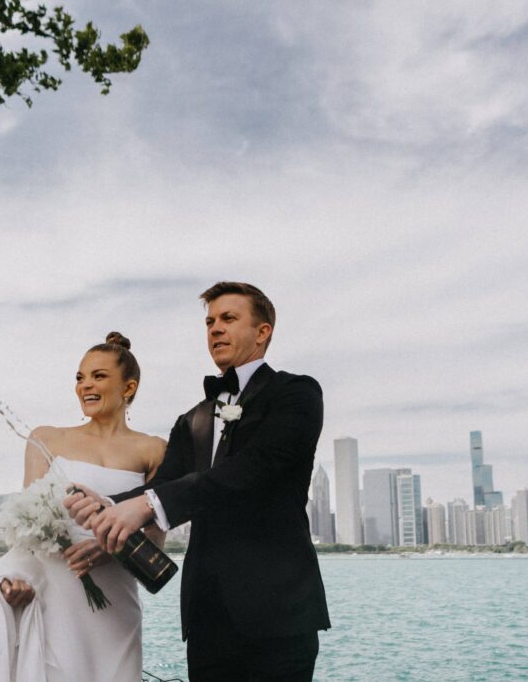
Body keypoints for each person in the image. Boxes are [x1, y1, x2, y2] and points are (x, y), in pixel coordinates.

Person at [66, 282, 330, 682]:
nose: (215, 329)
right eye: (209, 322)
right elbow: (162, 485)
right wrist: (104, 502)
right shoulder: (191, 420)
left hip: (280, 610)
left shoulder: (296, 394)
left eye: (228, 318)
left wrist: (146, 505)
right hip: (207, 615)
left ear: (263, 332)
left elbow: (254, 469)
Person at [0, 332, 166, 682]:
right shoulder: (46, 438)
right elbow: (27, 527)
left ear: (129, 387)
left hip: (117, 605)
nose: (85, 386)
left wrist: (109, 549)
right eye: (80, 377)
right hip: (53, 598)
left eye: (99, 376)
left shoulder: (154, 450)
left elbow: (156, 540)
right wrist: (14, 581)